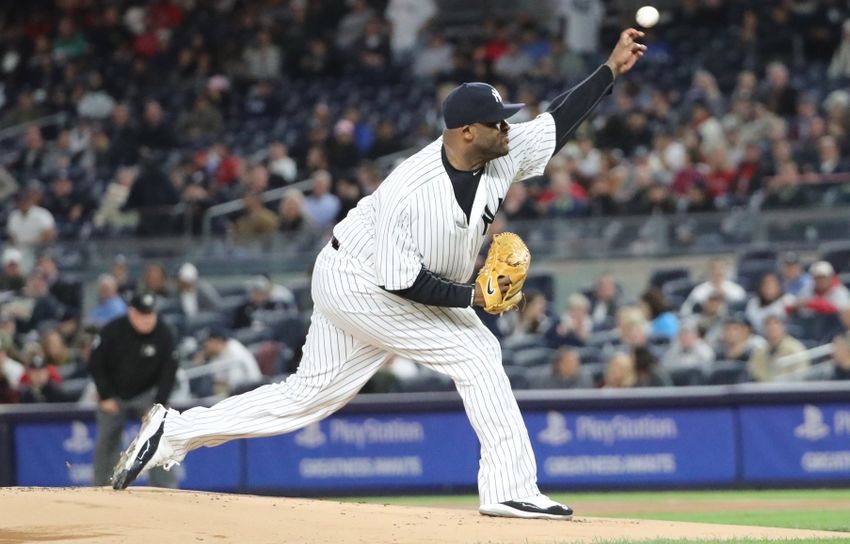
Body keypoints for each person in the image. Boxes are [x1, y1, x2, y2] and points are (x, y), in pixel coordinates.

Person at [112, 29, 647, 520]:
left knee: (308, 396)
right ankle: (509, 488)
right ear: (466, 132)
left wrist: (609, 70)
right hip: (360, 280)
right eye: (497, 120)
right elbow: (402, 282)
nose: (508, 127)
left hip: (379, 280)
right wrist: (473, 300)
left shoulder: (500, 153)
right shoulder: (410, 190)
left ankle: (173, 432)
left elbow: (557, 121)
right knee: (477, 351)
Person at [89, 292, 178, 487]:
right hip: (114, 392)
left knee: (159, 433)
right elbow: (95, 363)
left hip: (148, 393)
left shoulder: (163, 333)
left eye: (150, 315)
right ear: (131, 313)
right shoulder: (113, 330)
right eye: (142, 315)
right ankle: (103, 485)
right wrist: (105, 395)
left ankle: (165, 488)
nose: (147, 320)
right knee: (107, 439)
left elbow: (169, 371)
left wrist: (159, 404)